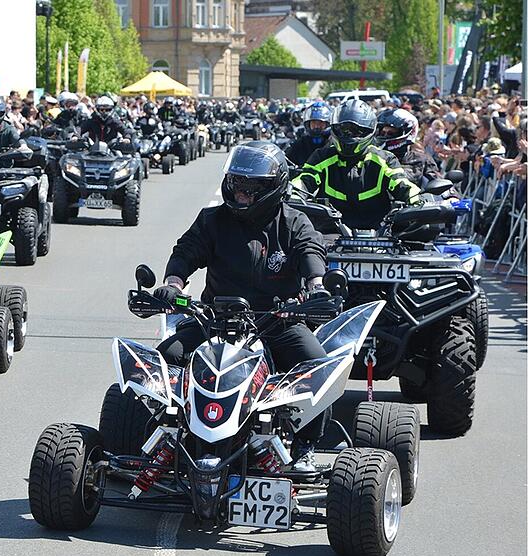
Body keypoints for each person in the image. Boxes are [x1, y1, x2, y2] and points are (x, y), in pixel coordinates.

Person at [154, 141, 330, 470]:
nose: (241, 195)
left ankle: (305, 446)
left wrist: (316, 287)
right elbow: (186, 252)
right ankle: (162, 437)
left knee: (319, 369)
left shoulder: (294, 223)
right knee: (165, 359)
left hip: (279, 321)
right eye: (236, 185)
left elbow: (311, 253)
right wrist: (172, 284)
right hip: (214, 321)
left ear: (274, 187)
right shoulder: (212, 220)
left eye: (251, 188)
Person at [291, 99, 421, 230]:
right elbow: (304, 181)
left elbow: (402, 184)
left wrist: (418, 202)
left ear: (368, 130)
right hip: (330, 232)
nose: (348, 135)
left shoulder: (384, 159)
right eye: (343, 130)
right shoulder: (322, 157)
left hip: (379, 234)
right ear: (334, 129)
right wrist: (293, 195)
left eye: (355, 131)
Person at [375, 108, 440, 188]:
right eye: (382, 133)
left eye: (390, 133)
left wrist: (451, 197)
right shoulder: (372, 158)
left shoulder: (422, 160)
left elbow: (439, 185)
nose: (385, 136)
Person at [285, 101, 331, 166]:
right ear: (308, 124)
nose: (317, 126)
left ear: (328, 124)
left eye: (321, 122)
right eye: (314, 122)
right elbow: (287, 161)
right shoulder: (300, 144)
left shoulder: (334, 144)